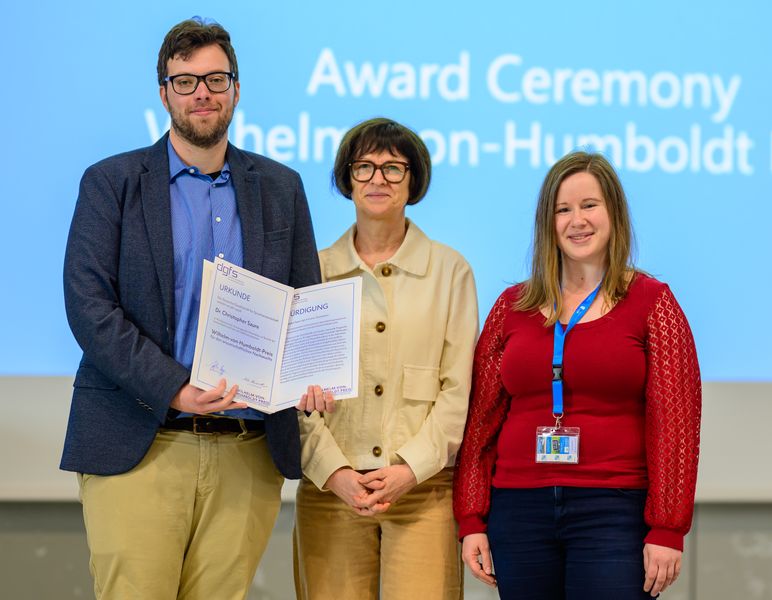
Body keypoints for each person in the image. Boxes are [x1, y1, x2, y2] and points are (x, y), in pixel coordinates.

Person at [61, 17, 331, 599]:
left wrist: (314, 374)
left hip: (249, 450)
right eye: (185, 82)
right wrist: (175, 387)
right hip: (142, 440)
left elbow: (304, 306)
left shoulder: (281, 187)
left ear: (237, 88)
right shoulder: (111, 182)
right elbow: (89, 307)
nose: (201, 93)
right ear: (163, 93)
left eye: (215, 79)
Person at [454, 151, 702, 599]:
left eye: (589, 205)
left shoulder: (653, 302)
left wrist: (667, 528)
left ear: (614, 214)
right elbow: (480, 425)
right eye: (562, 209)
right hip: (518, 508)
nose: (577, 220)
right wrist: (472, 520)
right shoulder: (511, 306)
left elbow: (676, 425)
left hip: (615, 510)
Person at [293, 117, 479, 600]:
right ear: (347, 178)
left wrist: (408, 470)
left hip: (422, 489)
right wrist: (334, 473)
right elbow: (291, 389)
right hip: (330, 492)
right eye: (365, 167)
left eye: (394, 168)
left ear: (413, 180)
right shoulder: (313, 269)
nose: (378, 179)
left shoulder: (450, 270)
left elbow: (459, 391)